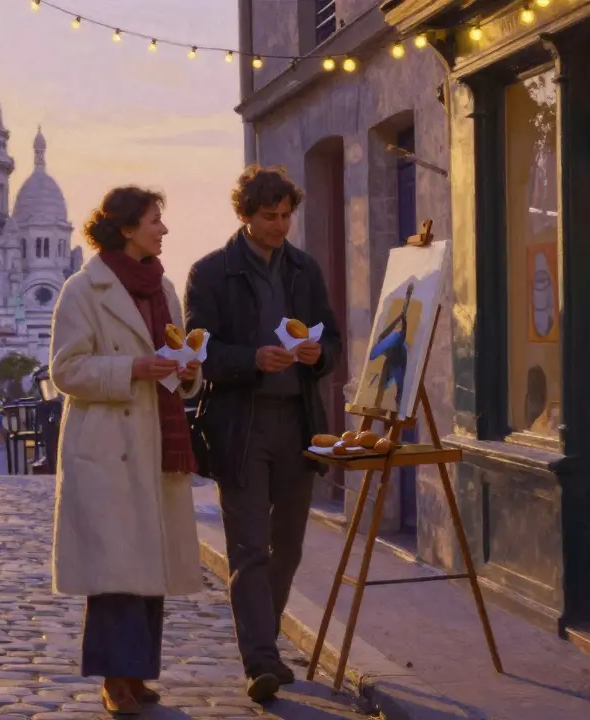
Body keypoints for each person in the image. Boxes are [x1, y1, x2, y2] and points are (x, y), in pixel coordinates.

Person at [184, 165, 342, 701]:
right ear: (245, 216)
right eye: (270, 217)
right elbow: (199, 349)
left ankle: (266, 641)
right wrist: (252, 358)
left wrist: (321, 356)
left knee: (288, 546)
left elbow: (333, 336)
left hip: (297, 422)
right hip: (240, 426)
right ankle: (260, 660)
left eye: (287, 215)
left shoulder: (304, 270)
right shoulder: (210, 273)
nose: (282, 225)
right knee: (249, 546)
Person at [50, 186, 203, 716]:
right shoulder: (81, 290)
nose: (163, 230)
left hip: (156, 441)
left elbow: (177, 359)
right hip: (108, 446)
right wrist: (132, 369)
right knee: (115, 569)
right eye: (155, 220)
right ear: (126, 227)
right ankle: (114, 679)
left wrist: (186, 370)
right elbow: (65, 371)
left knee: (147, 564)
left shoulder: (163, 287)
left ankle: (137, 674)